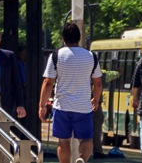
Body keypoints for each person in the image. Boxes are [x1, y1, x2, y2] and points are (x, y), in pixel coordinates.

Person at [39, 21, 102, 163]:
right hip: (83, 107)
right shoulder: (91, 57)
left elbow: (48, 82)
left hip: (62, 107)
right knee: (86, 139)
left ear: (63, 38)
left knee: (63, 141)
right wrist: (96, 100)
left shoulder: (56, 56)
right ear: (79, 38)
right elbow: (97, 83)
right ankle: (81, 159)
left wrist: (41, 105)